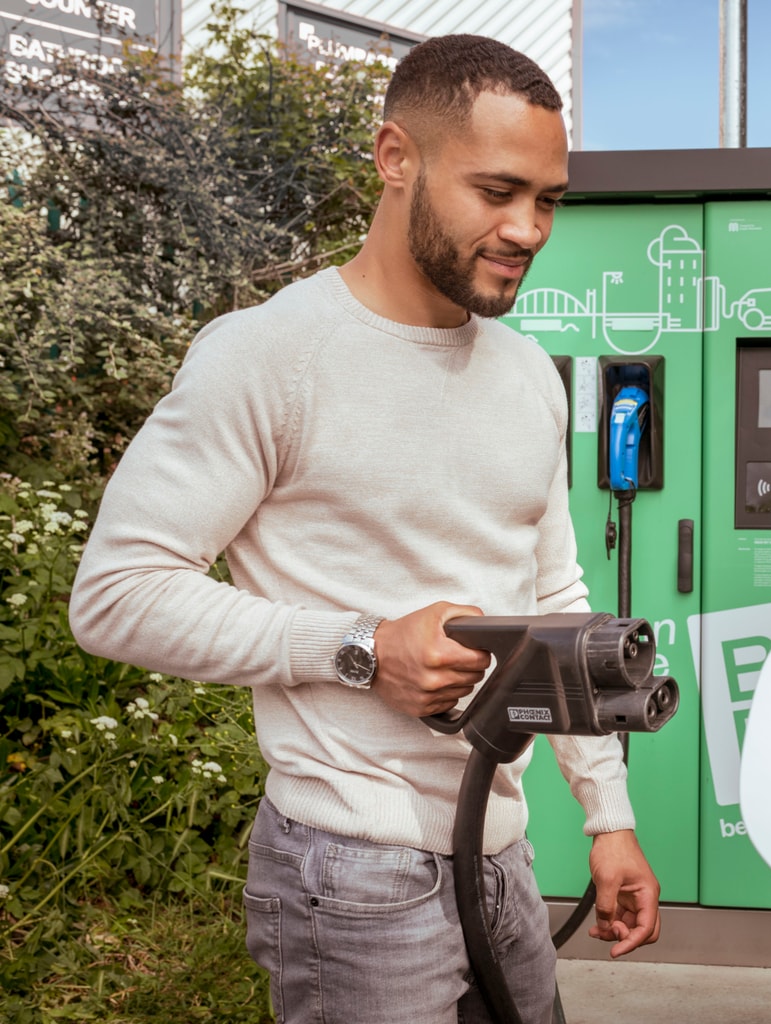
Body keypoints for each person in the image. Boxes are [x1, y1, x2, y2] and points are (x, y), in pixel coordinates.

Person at [68, 35, 660, 1024]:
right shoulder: (269, 357)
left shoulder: (524, 373)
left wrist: (611, 816)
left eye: (549, 199)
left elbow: (554, 599)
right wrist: (358, 647)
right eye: (497, 190)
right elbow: (116, 594)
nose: (528, 228)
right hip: (348, 872)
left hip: (502, 850)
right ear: (396, 158)